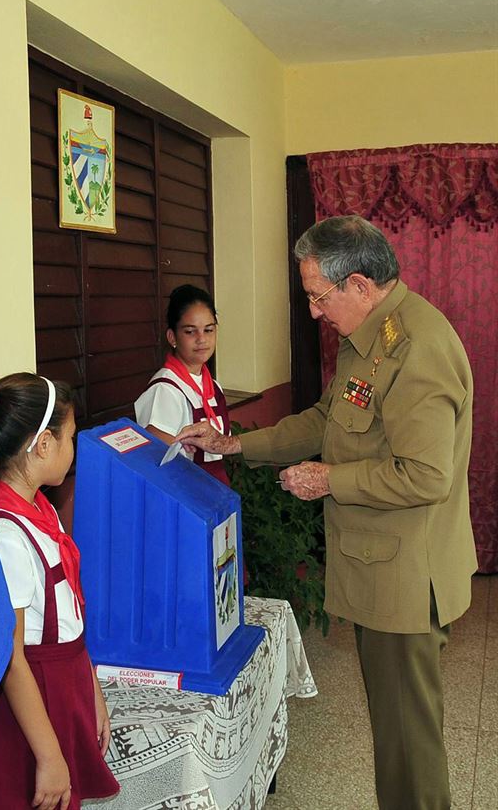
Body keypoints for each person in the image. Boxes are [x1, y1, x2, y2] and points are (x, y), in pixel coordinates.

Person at [177, 216, 477, 810]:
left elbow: (426, 474)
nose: (315, 311)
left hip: (405, 579)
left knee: (410, 746)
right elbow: (325, 418)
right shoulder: (371, 338)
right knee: (396, 737)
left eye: (319, 296)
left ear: (360, 285)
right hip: (380, 571)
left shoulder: (416, 348)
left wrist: (329, 479)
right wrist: (237, 444)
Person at [0, 373, 119, 810]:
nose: (75, 447)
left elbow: (69, 612)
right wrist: (48, 756)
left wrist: (92, 690)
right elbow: (11, 657)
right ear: (44, 444)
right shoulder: (8, 535)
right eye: (70, 436)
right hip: (30, 704)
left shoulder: (41, 507)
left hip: (63, 684)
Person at [134, 283, 231, 486]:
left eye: (208, 330)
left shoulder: (213, 387)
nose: (202, 339)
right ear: (172, 337)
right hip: (185, 499)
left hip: (215, 492)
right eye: (190, 331)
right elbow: (156, 462)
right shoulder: (165, 390)